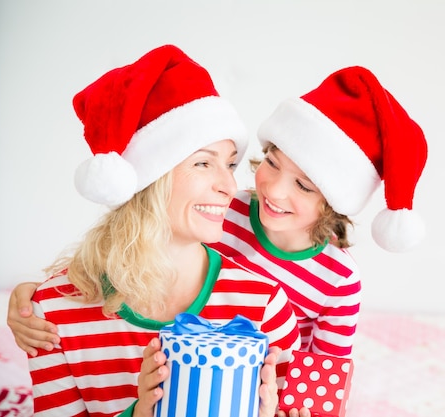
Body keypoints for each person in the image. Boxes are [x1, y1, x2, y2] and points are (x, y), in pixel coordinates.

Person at [9, 66, 428, 361]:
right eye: (272, 162)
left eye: (303, 185)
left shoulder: (338, 281)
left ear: (334, 202)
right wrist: (33, 297)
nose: (274, 191)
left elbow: (323, 371)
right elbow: (132, 254)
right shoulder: (219, 211)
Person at [18, 44, 301, 417]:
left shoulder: (264, 305)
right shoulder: (53, 311)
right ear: (149, 179)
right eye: (203, 163)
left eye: (230, 165)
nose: (229, 188)